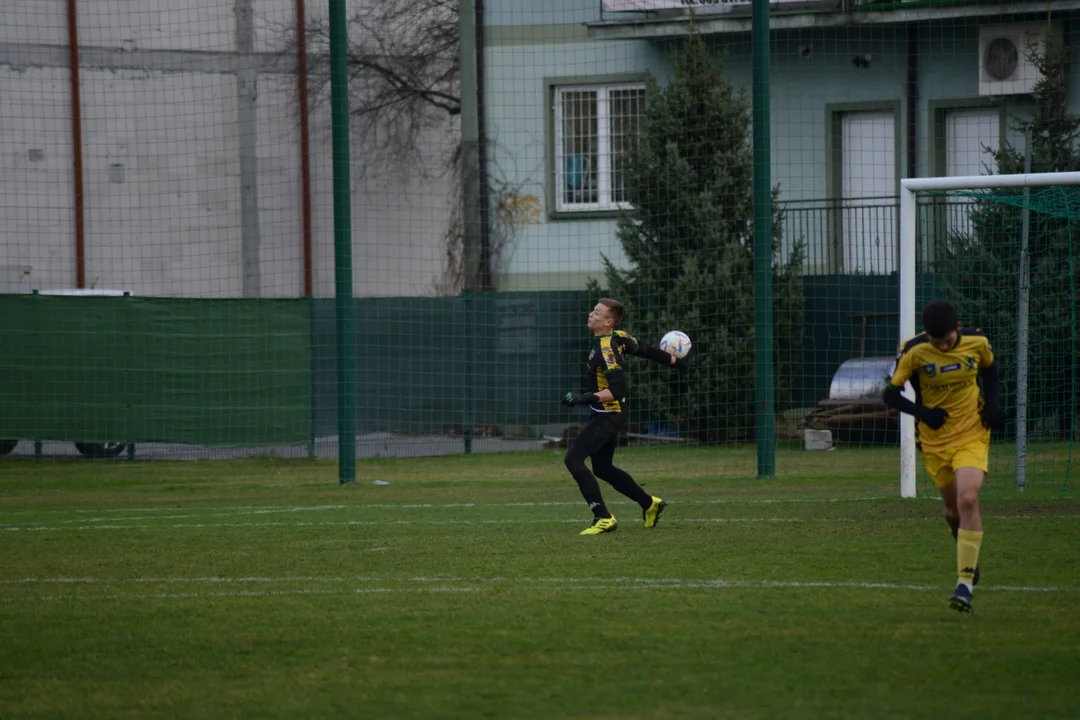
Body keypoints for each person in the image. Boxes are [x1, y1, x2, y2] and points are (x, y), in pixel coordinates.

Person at [883, 300, 1006, 613]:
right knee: (953, 512)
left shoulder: (977, 342)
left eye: (948, 341)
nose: (942, 346)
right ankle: (962, 540)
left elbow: (990, 370)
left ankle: (964, 584)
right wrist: (924, 413)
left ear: (957, 327)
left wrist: (993, 405)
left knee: (968, 499)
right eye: (936, 342)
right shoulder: (913, 351)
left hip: (971, 433)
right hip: (935, 440)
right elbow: (890, 394)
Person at [561, 298, 690, 536]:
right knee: (602, 468)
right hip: (606, 413)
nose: (591, 314)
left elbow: (618, 390)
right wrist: (675, 361)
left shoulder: (608, 348)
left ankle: (602, 517)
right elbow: (648, 350)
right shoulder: (619, 336)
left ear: (608, 321)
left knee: (573, 459)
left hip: (609, 415)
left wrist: (582, 399)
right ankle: (649, 504)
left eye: (597, 312)